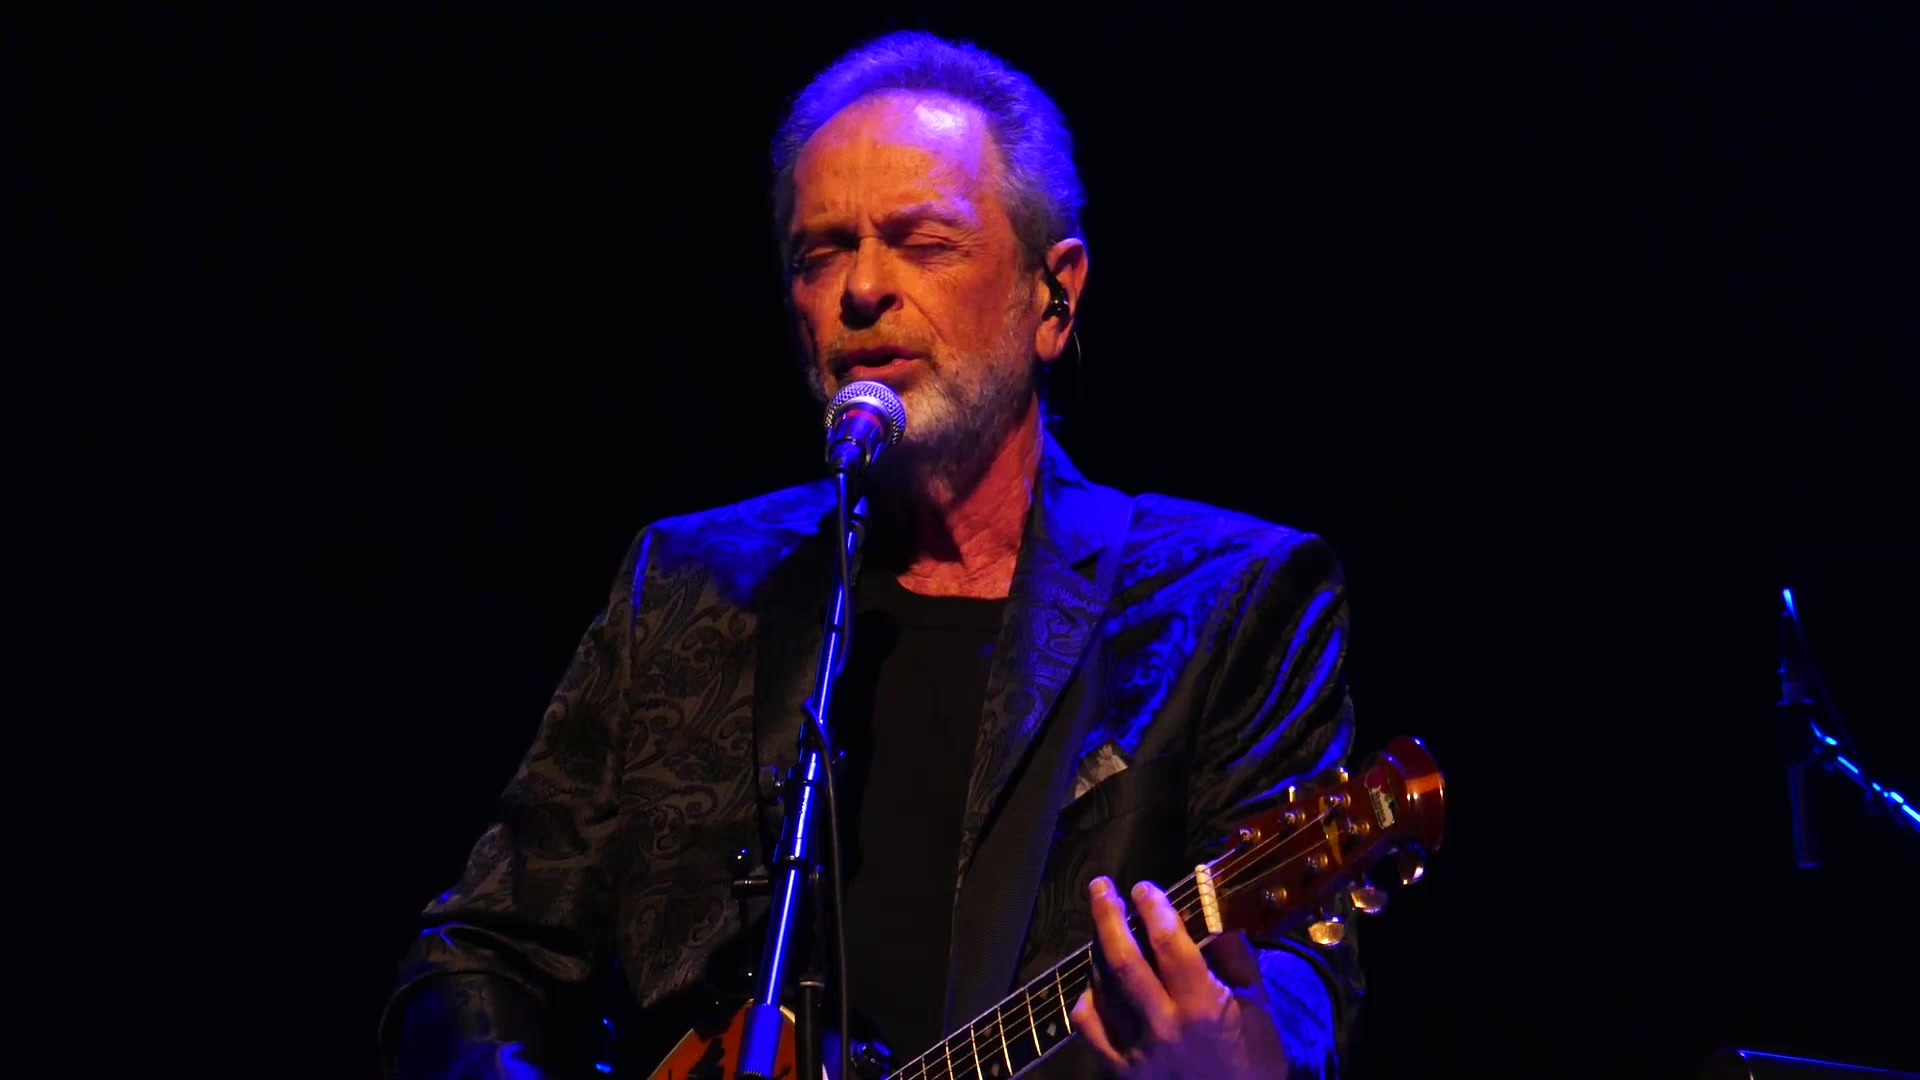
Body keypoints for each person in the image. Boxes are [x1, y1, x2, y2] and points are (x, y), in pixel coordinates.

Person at [381, 30, 1362, 1080]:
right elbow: (479, 959)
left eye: (923, 243)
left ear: (1053, 296)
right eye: (820, 253)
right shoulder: (690, 584)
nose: (861, 289)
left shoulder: (1228, 598)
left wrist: (1245, 1064)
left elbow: (1296, 983)